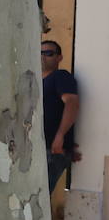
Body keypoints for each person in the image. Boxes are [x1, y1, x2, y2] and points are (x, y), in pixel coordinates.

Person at [41, 39, 79, 196]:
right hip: (41, 149)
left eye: (49, 53)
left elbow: (72, 103)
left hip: (54, 149)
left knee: (39, 196)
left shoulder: (60, 76)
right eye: (40, 53)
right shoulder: (38, 81)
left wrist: (60, 135)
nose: (43, 57)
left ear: (59, 58)